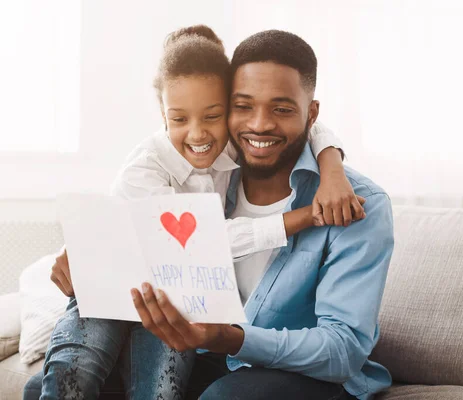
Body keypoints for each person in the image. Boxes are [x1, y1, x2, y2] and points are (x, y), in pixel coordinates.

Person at [24, 26, 363, 400]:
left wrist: (332, 165)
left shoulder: (233, 146)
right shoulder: (146, 169)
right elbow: (207, 242)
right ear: (163, 113)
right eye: (180, 119)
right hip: (111, 293)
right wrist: (301, 217)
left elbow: (300, 118)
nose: (199, 133)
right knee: (68, 375)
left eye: (212, 116)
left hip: (170, 300)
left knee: (161, 389)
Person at [131, 29, 395, 400]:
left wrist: (230, 338)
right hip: (211, 359)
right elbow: (139, 212)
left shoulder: (357, 203)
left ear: (311, 113)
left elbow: (343, 351)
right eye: (243, 106)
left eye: (282, 109)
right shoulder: (211, 175)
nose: (259, 124)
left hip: (312, 377)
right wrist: (80, 252)